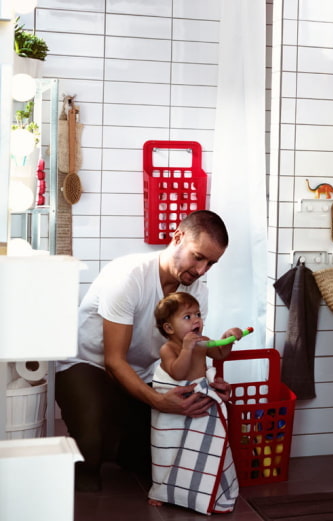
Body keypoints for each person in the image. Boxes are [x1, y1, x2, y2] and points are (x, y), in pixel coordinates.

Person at [56, 210, 242, 492]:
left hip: (142, 373)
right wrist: (157, 401)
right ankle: (93, 445)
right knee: (90, 450)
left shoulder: (197, 293)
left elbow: (187, 350)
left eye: (211, 264)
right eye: (198, 257)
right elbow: (113, 361)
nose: (202, 270)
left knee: (158, 460)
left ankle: (116, 441)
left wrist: (208, 384)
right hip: (88, 365)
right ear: (177, 237)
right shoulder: (129, 276)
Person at [147, 292, 240, 513]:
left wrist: (229, 337)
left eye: (197, 314)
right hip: (175, 405)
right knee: (168, 449)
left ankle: (198, 484)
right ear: (169, 328)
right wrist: (188, 349)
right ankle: (161, 488)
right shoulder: (168, 349)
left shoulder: (204, 342)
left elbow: (219, 353)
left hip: (198, 399)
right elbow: (177, 373)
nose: (197, 320)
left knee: (198, 447)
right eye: (187, 317)